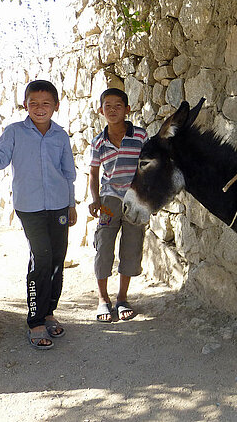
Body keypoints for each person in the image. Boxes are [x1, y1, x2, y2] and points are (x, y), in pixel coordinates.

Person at [0, 80, 77, 350]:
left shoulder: (60, 135)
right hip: (31, 207)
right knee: (41, 260)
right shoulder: (14, 132)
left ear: (56, 106)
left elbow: (68, 173)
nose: (39, 108)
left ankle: (49, 313)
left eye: (46, 103)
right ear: (25, 105)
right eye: (33, 103)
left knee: (58, 260)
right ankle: (35, 321)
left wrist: (71, 204)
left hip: (59, 205)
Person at [89, 88, 148, 322]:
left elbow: (148, 166)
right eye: (107, 106)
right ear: (101, 110)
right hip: (108, 201)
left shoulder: (140, 136)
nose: (112, 110)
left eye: (118, 106)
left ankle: (122, 297)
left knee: (132, 247)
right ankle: (103, 299)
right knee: (104, 245)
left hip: (136, 200)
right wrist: (95, 199)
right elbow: (93, 173)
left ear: (127, 109)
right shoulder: (98, 141)